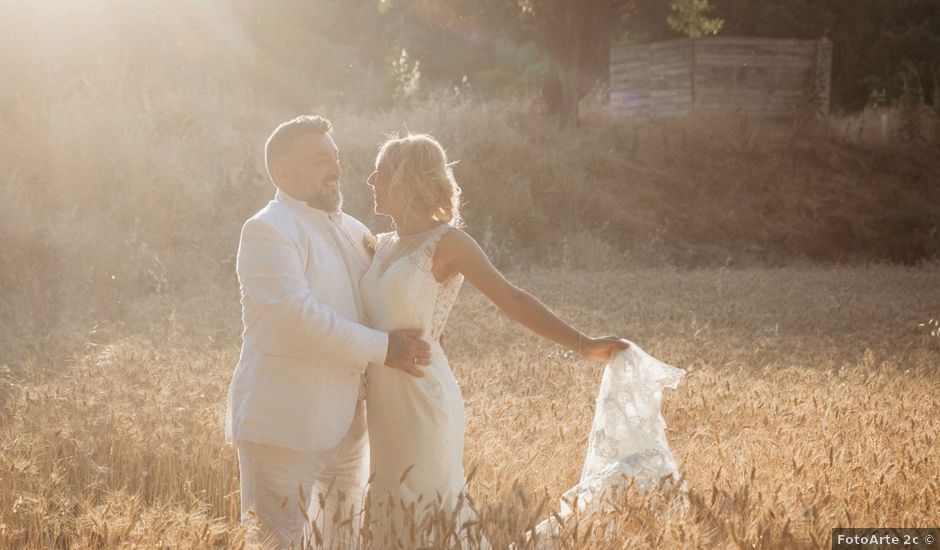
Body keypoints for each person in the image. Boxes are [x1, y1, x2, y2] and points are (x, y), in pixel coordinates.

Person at [360, 133, 629, 546]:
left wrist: (584, 343)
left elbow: (511, 299)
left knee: (431, 512)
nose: (368, 181)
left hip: (422, 401)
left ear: (403, 179)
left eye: (378, 173)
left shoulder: (447, 242)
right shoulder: (378, 246)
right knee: (389, 516)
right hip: (382, 408)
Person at [224, 115, 431, 548]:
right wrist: (387, 347)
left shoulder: (356, 230)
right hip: (284, 426)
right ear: (283, 172)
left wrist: (420, 331)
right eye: (320, 159)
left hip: (350, 425)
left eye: (335, 157)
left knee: (343, 542)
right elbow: (297, 318)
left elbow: (373, 306)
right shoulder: (267, 228)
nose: (335, 167)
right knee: (278, 543)